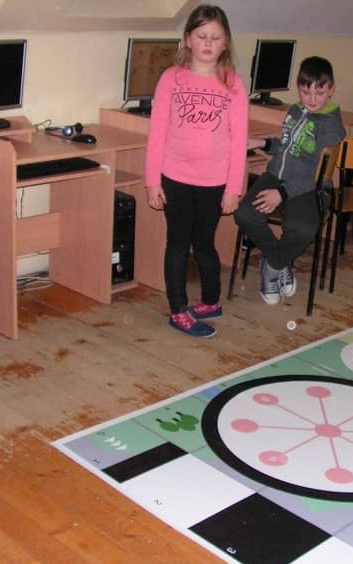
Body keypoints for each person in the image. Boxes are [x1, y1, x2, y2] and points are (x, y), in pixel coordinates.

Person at [145, 4, 248, 338]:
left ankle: (211, 301)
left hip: (214, 182)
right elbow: (157, 134)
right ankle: (178, 311)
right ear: (188, 39)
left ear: (225, 43)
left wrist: (234, 188)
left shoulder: (233, 84)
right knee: (177, 244)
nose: (208, 43)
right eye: (202, 36)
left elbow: (239, 141)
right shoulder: (170, 79)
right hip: (175, 178)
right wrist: (152, 181)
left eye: (215, 38)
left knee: (204, 244)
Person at [234, 56, 345, 305]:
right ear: (298, 88)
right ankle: (280, 261)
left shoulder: (331, 125)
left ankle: (272, 266)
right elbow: (287, 146)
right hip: (276, 176)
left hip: (308, 187)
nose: (312, 99)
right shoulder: (295, 110)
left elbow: (317, 173)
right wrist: (263, 143)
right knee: (244, 214)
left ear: (331, 89)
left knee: (302, 228)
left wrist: (282, 194)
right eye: (306, 92)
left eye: (319, 92)